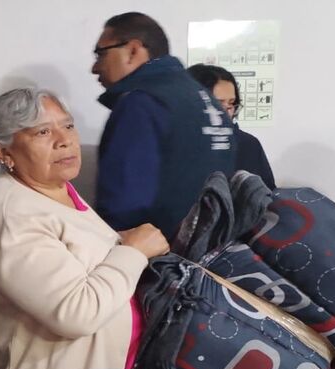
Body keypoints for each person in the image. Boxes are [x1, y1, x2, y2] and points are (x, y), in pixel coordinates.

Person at [0, 88, 169, 369]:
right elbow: (76, 314)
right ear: (4, 152)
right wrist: (134, 252)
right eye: (42, 132)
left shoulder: (52, 188)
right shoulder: (10, 216)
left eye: (68, 126)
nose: (64, 140)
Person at [91, 12, 235, 238]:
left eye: (100, 54)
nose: (95, 67)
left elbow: (124, 206)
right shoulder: (203, 98)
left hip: (159, 259)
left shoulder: (141, 104)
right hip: (208, 249)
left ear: (133, 50)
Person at [187, 63, 277, 191]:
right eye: (218, 103)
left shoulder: (247, 144)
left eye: (231, 103)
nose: (227, 112)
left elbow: (265, 198)